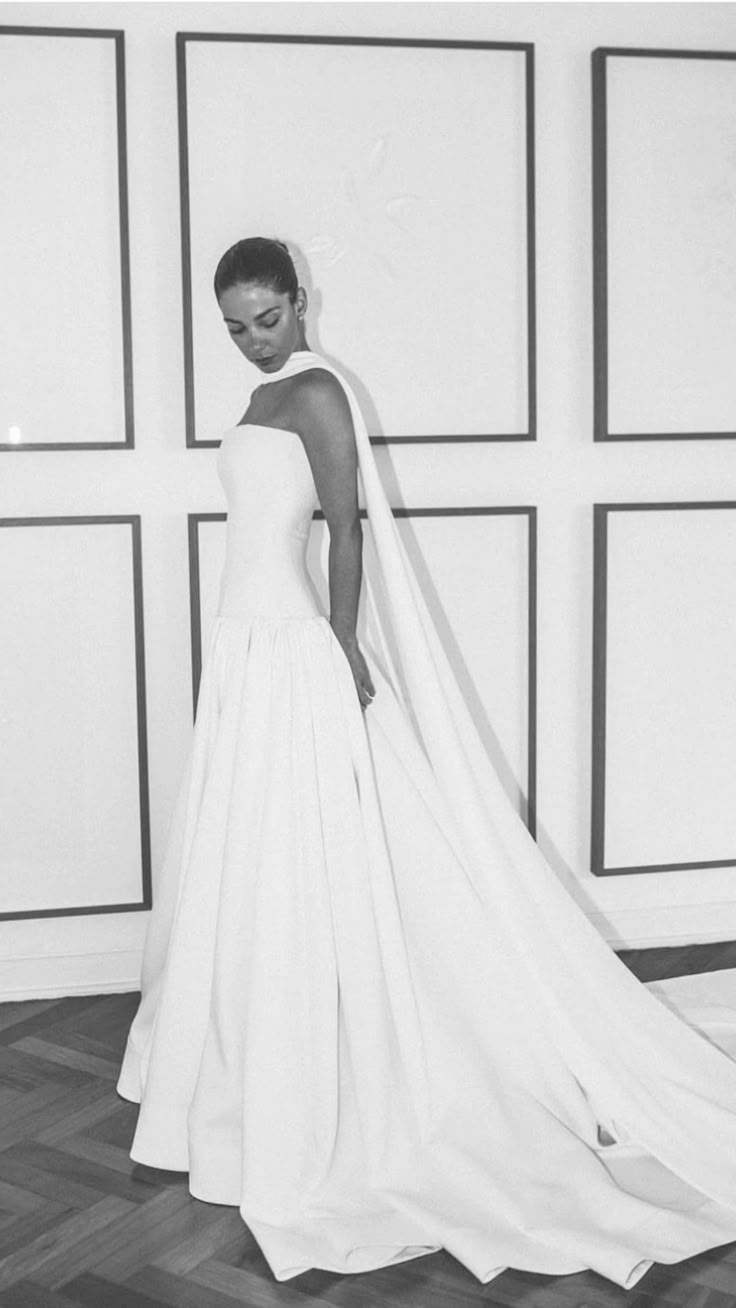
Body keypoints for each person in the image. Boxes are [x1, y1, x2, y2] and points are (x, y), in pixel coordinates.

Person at [118, 237, 736, 1291]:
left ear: (300, 300)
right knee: (261, 856)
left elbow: (346, 531)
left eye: (263, 317)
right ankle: (253, 1061)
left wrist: (343, 648)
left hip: (293, 645)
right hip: (246, 645)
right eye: (231, 325)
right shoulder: (268, 395)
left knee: (321, 847)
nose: (248, 339)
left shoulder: (316, 391)